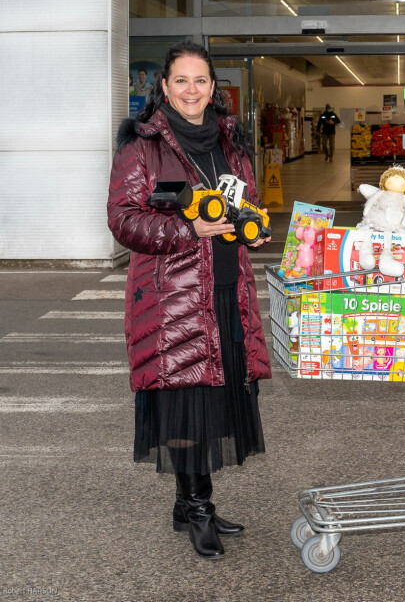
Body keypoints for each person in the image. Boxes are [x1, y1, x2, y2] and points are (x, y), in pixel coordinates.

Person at [108, 41, 271, 560]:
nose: (191, 91)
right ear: (164, 86)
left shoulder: (231, 140)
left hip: (226, 289)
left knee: (216, 399)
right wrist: (187, 227)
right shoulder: (142, 147)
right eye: (181, 80)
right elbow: (123, 219)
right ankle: (197, 507)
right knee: (185, 404)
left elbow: (246, 200)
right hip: (173, 298)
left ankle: (190, 502)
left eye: (200, 81)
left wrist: (254, 226)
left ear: (212, 86)